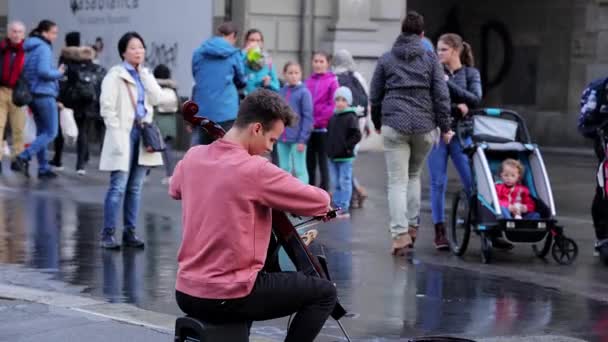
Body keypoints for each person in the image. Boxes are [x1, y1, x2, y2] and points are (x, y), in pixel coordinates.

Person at [170, 89, 337, 342]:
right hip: (227, 294)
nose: (269, 150)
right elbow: (320, 201)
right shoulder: (255, 170)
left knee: (251, 277)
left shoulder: (193, 157)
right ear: (257, 129)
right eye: (271, 140)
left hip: (186, 291)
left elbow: (175, 188)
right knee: (324, 293)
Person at [370, 11, 452, 256]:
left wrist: (377, 121)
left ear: (401, 31)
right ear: (422, 34)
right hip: (424, 126)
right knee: (414, 175)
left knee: (397, 181)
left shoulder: (386, 59)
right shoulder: (430, 59)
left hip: (394, 124)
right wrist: (445, 126)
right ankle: (413, 226)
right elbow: (441, 96)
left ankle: (399, 236)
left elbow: (375, 96)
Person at [98, 32, 169, 249]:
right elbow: (107, 107)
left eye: (141, 47)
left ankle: (130, 232)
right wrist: (116, 132)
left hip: (142, 133)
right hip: (123, 133)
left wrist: (146, 76)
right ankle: (108, 233)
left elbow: (158, 98)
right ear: (123, 52)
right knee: (118, 185)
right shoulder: (115, 75)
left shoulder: (144, 75)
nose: (138, 51)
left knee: (136, 187)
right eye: (133, 48)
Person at [427, 33, 482, 250]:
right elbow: (430, 104)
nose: (438, 53)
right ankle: (439, 231)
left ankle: (481, 222)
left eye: (443, 50)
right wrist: (456, 107)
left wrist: (448, 84)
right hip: (438, 133)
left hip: (462, 134)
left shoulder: (470, 73)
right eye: (438, 49)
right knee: (437, 182)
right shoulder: (433, 74)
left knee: (471, 182)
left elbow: (475, 99)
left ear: (455, 51)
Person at [13, 20, 65, 179]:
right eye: (53, 33)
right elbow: (43, 72)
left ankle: (43, 168)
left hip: (33, 95)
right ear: (44, 33)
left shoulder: (29, 48)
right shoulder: (43, 48)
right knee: (51, 132)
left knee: (42, 132)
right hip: (44, 94)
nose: (55, 36)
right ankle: (23, 157)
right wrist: (59, 72)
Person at [53, 37, 106, 175]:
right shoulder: (97, 69)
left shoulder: (69, 67)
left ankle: (58, 161)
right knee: (83, 133)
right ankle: (80, 166)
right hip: (87, 105)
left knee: (61, 132)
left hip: (68, 104)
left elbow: (61, 85)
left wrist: (58, 100)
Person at [191, 22, 246, 146]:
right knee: (225, 154)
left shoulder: (198, 53)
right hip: (227, 112)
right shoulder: (234, 54)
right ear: (232, 36)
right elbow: (241, 81)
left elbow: (196, 75)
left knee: (202, 154)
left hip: (202, 111)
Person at [332, 48, 371, 209]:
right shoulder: (357, 77)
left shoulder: (333, 77)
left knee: (343, 160)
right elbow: (367, 100)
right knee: (348, 159)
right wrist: (367, 123)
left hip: (340, 123)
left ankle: (355, 192)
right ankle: (356, 191)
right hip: (358, 121)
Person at [327, 87, 362, 219]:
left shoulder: (351, 117)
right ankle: (337, 206)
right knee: (335, 182)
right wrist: (329, 150)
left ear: (348, 101)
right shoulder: (333, 117)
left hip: (345, 157)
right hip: (333, 157)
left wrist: (347, 147)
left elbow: (356, 135)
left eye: (343, 100)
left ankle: (344, 208)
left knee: (344, 181)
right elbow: (329, 135)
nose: (340, 102)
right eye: (337, 99)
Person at [305, 51, 338, 191]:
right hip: (309, 129)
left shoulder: (332, 81)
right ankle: (310, 190)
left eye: (321, 61)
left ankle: (325, 192)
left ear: (327, 63)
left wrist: (317, 121)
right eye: (316, 61)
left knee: (323, 162)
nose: (318, 64)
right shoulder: (308, 81)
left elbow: (333, 104)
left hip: (323, 129)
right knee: (309, 162)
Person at [50, 31, 81, 172]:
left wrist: (57, 97)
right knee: (83, 130)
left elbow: (60, 77)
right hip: (80, 97)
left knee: (60, 128)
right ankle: (81, 164)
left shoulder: (64, 57)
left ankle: (58, 159)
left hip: (65, 97)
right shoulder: (84, 56)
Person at [277, 61, 313, 183]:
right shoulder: (281, 92)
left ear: (301, 74)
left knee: (300, 170)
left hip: (298, 139)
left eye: (296, 73)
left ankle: (304, 197)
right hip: (282, 138)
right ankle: (285, 196)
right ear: (284, 74)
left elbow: (308, 118)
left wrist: (303, 139)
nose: (293, 75)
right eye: (290, 73)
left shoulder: (304, 93)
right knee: (283, 169)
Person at [0, 21, 26, 172]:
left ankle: (18, 159)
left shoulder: (27, 51)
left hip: (19, 94)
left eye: (19, 32)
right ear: (9, 33)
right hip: (1, 91)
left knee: (18, 129)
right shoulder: (2, 48)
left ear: (23, 34)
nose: (16, 34)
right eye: (14, 31)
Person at [152, 64, 180, 185]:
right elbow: (179, 105)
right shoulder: (173, 88)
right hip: (170, 123)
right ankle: (170, 174)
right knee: (168, 150)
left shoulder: (153, 86)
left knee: (149, 148)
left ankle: (144, 174)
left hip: (156, 120)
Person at [242, 28, 280, 95]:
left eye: (258, 41)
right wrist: (245, 51)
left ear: (262, 43)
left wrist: (269, 83)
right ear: (246, 42)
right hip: (245, 100)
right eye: (252, 40)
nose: (255, 43)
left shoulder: (268, 60)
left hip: (261, 100)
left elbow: (277, 86)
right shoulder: (241, 58)